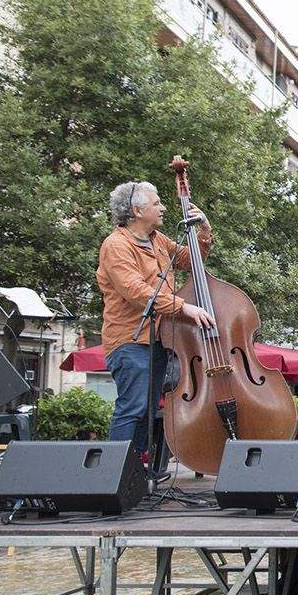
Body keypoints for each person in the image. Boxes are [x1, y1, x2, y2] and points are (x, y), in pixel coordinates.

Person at [96, 180, 216, 470]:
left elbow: (191, 261)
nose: (163, 207)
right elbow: (136, 292)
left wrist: (204, 232)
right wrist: (183, 306)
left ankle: (135, 474)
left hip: (157, 341)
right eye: (157, 203)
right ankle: (113, 476)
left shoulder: (159, 240)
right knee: (133, 408)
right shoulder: (116, 245)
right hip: (129, 341)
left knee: (148, 411)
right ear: (137, 210)